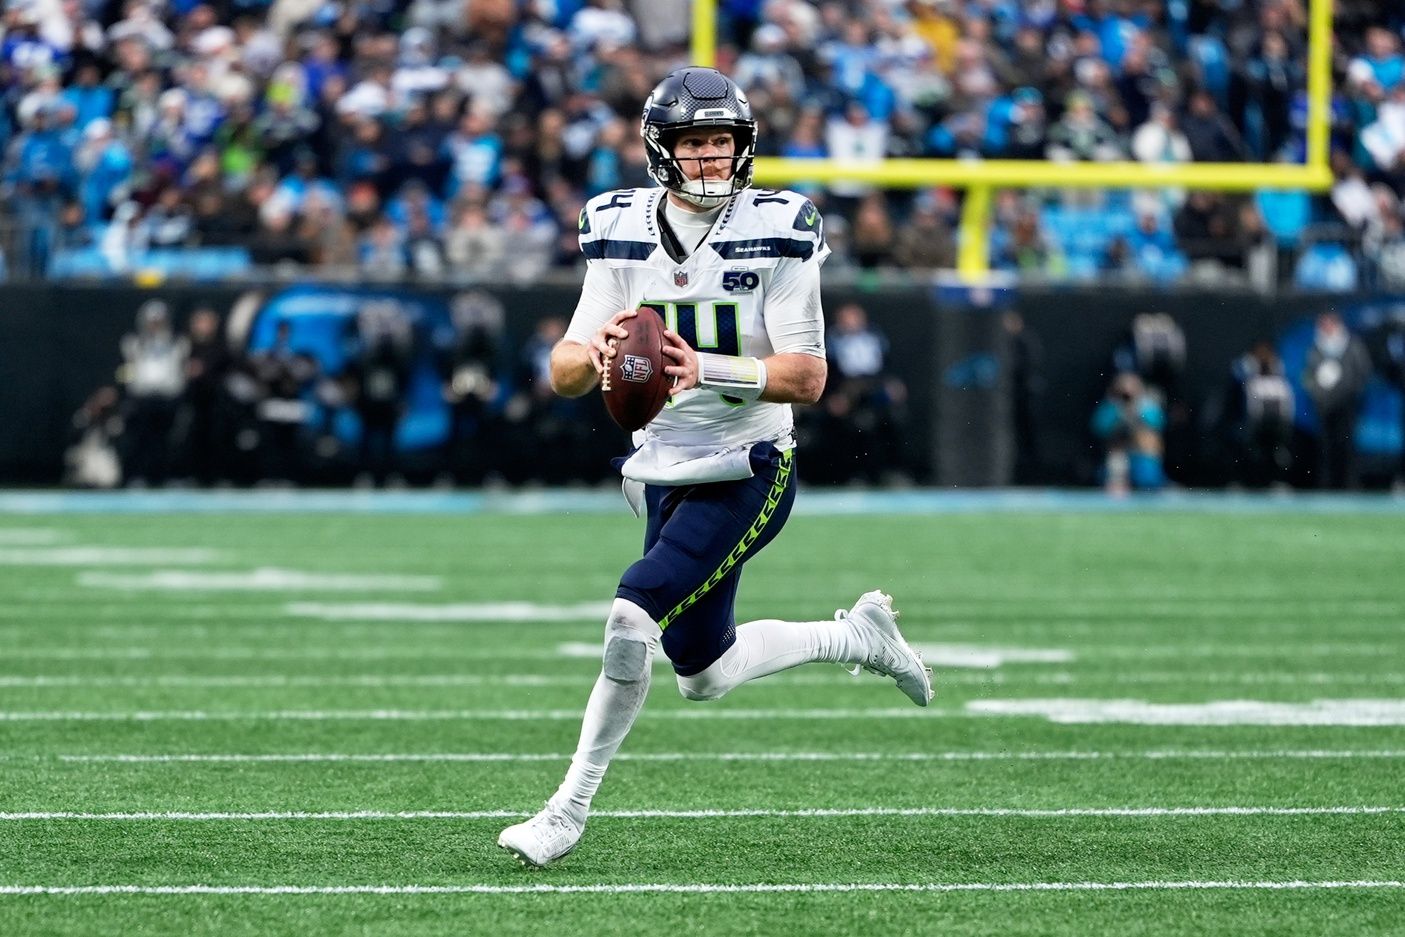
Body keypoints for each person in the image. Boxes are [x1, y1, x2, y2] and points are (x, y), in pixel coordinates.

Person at [496, 66, 932, 869]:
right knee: (703, 670)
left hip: (749, 463)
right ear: (661, 149)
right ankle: (857, 638)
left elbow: (806, 376)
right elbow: (563, 366)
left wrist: (710, 369)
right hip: (661, 466)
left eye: (721, 142)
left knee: (633, 616)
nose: (709, 158)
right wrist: (587, 355)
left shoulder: (781, 226)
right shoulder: (618, 225)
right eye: (694, 142)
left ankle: (565, 810)